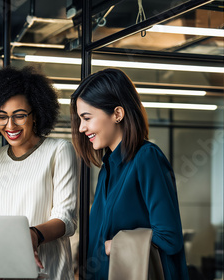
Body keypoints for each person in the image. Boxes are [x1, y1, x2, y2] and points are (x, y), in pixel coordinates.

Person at [70, 68, 189, 280]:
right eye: (80, 120)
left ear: (117, 114)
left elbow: (169, 238)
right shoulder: (107, 168)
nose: (81, 128)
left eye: (87, 118)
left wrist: (117, 245)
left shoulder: (147, 158)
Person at [0, 66, 78, 279]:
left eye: (19, 115)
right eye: (1, 116)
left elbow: (66, 219)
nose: (9, 124)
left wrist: (32, 235)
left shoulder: (59, 150)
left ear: (36, 115)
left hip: (48, 272)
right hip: (1, 273)